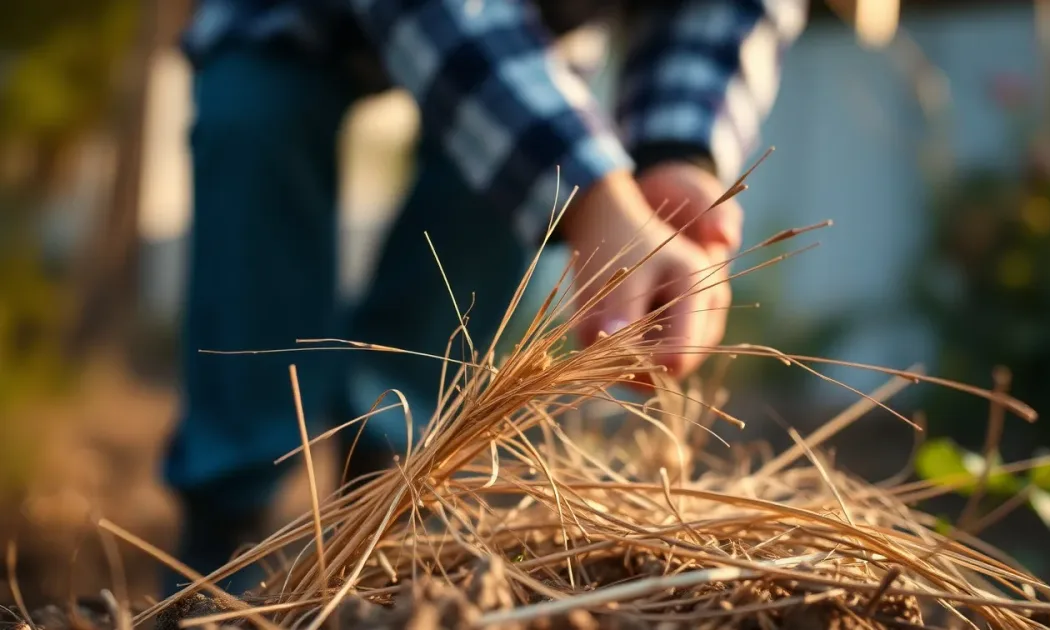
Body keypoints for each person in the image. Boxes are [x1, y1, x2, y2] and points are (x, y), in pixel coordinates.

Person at [162, 0, 806, 595]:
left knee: (489, 189)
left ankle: (387, 482)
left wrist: (677, 150)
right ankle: (232, 515)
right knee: (255, 121)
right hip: (282, 17)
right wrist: (595, 194)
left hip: (530, 35)